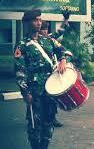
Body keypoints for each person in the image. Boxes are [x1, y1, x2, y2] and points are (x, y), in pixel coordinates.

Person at [14, 9, 67, 149]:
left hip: (51, 88)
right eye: (35, 20)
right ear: (27, 23)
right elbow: (20, 72)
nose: (39, 22)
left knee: (49, 122)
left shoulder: (48, 40)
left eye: (40, 19)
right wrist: (25, 93)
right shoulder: (22, 45)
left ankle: (44, 146)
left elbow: (62, 50)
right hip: (34, 90)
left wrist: (62, 60)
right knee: (34, 124)